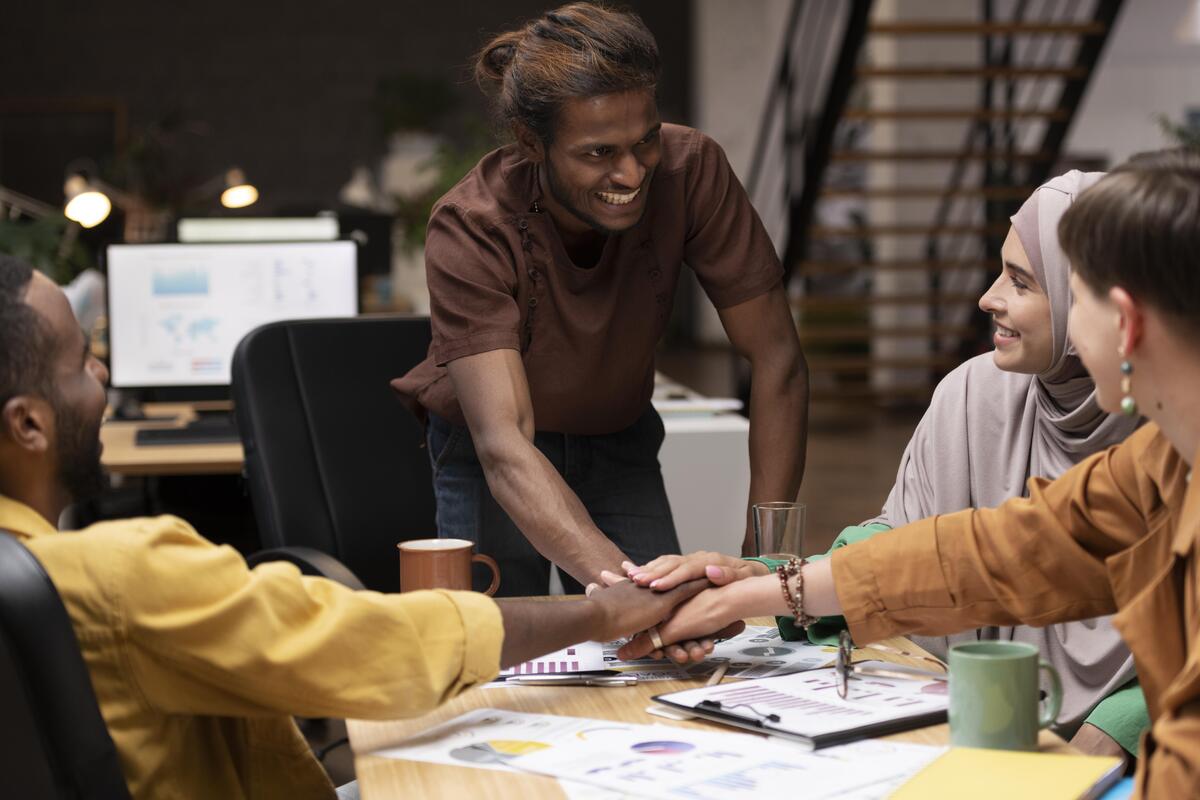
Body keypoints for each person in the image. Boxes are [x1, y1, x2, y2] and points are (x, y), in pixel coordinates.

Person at [0, 254, 713, 798]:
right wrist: (600, 610)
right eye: (79, 362)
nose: (99, 369)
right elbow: (388, 643)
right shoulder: (122, 574)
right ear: (28, 424)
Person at [619, 149, 1200, 797]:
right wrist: (754, 591)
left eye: (1076, 294)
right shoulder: (1159, 462)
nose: (988, 300)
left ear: (1129, 321)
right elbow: (997, 551)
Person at [391, 2, 809, 597]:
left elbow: (778, 361)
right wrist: (633, 594)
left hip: (619, 435)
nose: (632, 173)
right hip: (494, 454)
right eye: (598, 153)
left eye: (645, 142)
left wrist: (768, 559)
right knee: (507, 652)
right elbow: (506, 441)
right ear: (530, 142)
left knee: (655, 654)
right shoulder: (472, 224)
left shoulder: (692, 171)